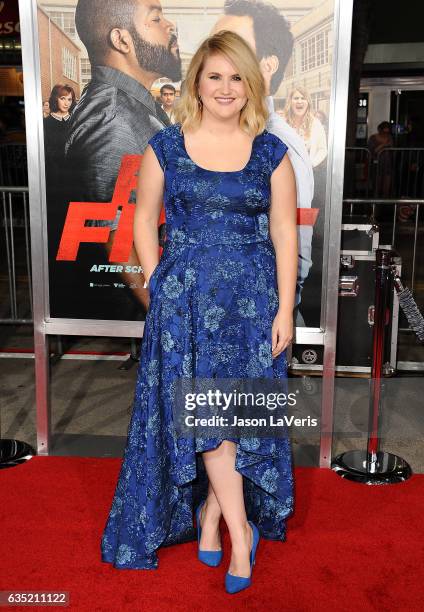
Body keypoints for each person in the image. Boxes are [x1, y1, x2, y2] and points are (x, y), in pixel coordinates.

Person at [101, 30, 297, 594]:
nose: (226, 87)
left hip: (252, 305)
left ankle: (212, 515)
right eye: (215, 76)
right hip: (186, 303)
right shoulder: (166, 145)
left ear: (251, 85)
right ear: (197, 83)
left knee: (232, 415)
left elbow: (285, 233)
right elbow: (143, 220)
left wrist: (285, 307)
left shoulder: (270, 151)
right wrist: (158, 278)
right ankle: (240, 532)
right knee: (207, 417)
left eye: (237, 77)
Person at [53, 0, 182, 320]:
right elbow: (116, 238)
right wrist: (167, 320)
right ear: (121, 40)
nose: (170, 27)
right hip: (141, 313)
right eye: (156, 18)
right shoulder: (114, 120)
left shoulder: (132, 106)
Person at [212, 0, 314, 327]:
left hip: (254, 320)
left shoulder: (280, 146)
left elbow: (295, 250)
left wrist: (277, 314)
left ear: (268, 65)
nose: (215, 55)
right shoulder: (194, 137)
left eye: (233, 46)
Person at [283, 87, 327, 168]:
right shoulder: (282, 123)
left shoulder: (316, 124)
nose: (299, 101)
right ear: (290, 102)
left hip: (306, 173)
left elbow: (323, 149)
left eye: (303, 98)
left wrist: (311, 164)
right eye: (296, 98)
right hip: (284, 172)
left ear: (308, 103)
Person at [43, 84, 76, 173]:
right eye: (62, 98)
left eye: (69, 99)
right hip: (52, 171)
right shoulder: (45, 123)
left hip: (73, 172)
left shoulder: (76, 123)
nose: (66, 103)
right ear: (55, 99)